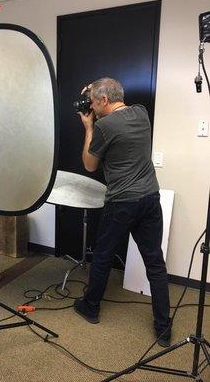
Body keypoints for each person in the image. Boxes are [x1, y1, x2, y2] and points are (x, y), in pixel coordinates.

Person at [73, 78, 171, 347]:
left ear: (104, 100)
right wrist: (93, 87)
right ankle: (163, 328)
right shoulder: (141, 112)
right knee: (155, 263)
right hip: (150, 197)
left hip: (122, 203)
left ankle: (90, 307)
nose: (90, 106)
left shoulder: (104, 126)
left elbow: (90, 165)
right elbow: (109, 92)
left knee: (103, 256)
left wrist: (88, 127)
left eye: (93, 102)